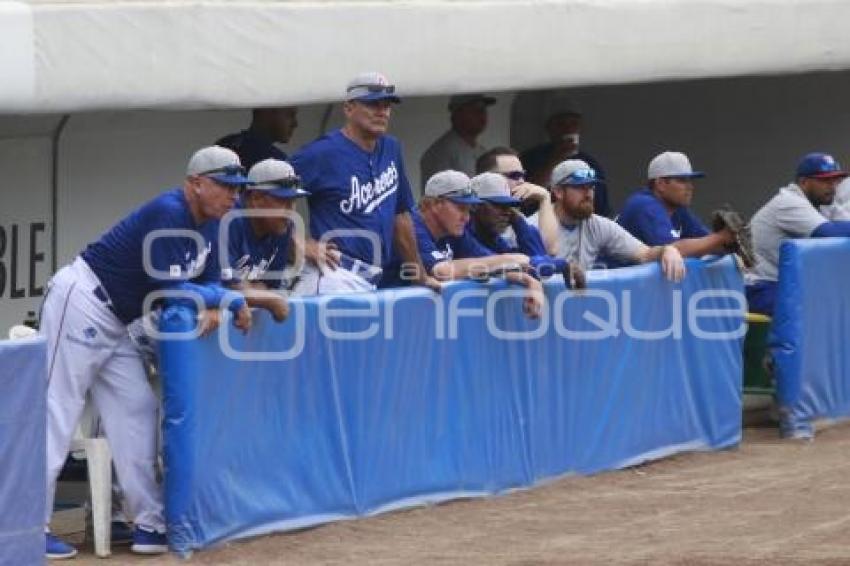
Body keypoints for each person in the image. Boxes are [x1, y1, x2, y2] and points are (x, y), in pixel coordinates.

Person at [40, 146, 253, 559]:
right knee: (57, 411)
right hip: (83, 301)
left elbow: (208, 282)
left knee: (138, 408)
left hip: (118, 319)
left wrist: (217, 302)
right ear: (195, 183)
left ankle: (148, 524)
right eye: (226, 186)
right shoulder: (169, 211)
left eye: (238, 188)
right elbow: (171, 291)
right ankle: (27, 526)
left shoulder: (212, 224)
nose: (234, 196)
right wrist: (225, 300)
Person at [290, 72, 438, 294]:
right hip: (335, 274)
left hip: (374, 278)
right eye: (372, 104)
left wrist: (420, 275)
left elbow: (401, 216)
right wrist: (300, 242)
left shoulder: (391, 148)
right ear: (349, 108)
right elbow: (262, 193)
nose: (381, 111)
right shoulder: (322, 153)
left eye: (387, 105)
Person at [404, 170, 544, 318]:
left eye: (469, 210)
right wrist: (512, 259)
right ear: (432, 204)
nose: (466, 217)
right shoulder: (412, 226)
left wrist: (529, 280)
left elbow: (489, 262)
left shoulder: (453, 232)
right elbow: (442, 271)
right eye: (460, 208)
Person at [528, 159, 685, 281]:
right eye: (580, 187)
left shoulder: (596, 224)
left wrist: (666, 250)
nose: (588, 193)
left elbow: (644, 253)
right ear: (558, 192)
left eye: (591, 187)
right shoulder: (532, 225)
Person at [748, 152, 850, 316]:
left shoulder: (823, 202)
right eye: (824, 180)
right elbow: (828, 232)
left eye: (834, 179)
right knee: (821, 313)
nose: (832, 185)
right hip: (762, 287)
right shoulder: (788, 202)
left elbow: (845, 227)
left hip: (788, 286)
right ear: (803, 182)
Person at [221, 158, 309, 318]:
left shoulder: (282, 227)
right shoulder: (228, 220)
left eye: (293, 202)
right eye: (283, 201)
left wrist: (251, 291)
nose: (290, 211)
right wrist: (264, 298)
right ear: (255, 199)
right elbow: (223, 287)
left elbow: (268, 287)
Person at [617, 151, 739, 257]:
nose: (690, 187)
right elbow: (672, 250)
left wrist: (731, 243)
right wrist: (721, 237)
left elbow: (705, 243)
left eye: (690, 181)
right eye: (682, 180)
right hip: (611, 277)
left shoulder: (678, 210)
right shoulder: (643, 205)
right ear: (660, 184)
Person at [521, 109, 612, 217]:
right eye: (561, 124)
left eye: (574, 124)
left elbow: (601, 208)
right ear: (549, 128)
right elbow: (525, 198)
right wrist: (558, 156)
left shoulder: (591, 163)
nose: (568, 129)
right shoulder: (531, 158)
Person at [467, 171, 548, 256]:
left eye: (508, 205)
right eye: (498, 205)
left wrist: (519, 221)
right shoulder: (462, 234)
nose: (507, 212)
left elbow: (542, 263)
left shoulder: (493, 238)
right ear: (474, 206)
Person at [420, 93, 496, 181]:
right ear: (458, 114)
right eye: (475, 110)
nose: (482, 115)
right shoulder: (442, 152)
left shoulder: (482, 151)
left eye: (483, 110)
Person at [215, 107, 299, 170]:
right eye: (290, 115)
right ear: (266, 113)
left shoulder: (224, 144)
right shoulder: (276, 161)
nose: (295, 124)